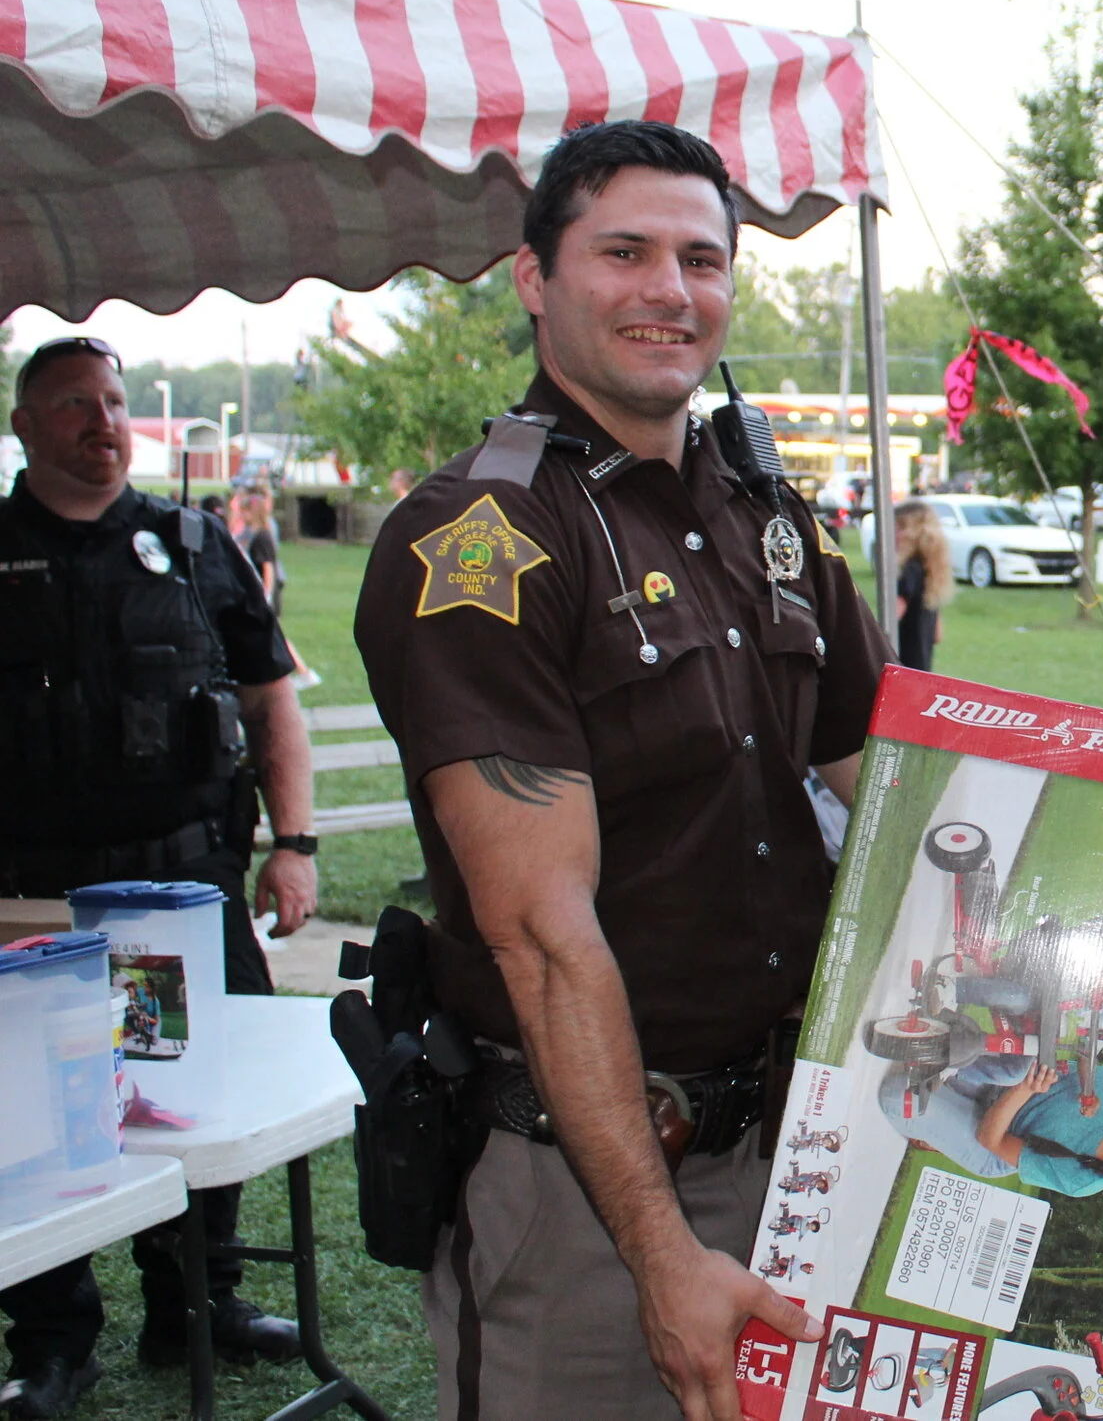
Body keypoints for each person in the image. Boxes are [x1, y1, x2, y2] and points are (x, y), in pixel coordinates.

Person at [353, 121, 888, 1421]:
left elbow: (892, 779)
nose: (670, 289)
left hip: (799, 1153)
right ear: (538, 280)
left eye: (701, 259)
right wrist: (660, 1252)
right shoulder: (479, 536)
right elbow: (541, 934)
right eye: (626, 252)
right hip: (591, 1188)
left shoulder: (765, 514)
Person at [0, 338, 315, 1417]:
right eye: (76, 404)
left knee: (188, 1101)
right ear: (25, 424)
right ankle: (50, 1341)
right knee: (38, 1119)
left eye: (117, 401)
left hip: (177, 895)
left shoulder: (188, 543)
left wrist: (296, 843)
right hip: (31, 899)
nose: (105, 421)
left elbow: (273, 697)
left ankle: (197, 1301)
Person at [877, 1058, 1103, 1201]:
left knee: (895, 1093)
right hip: (1009, 1072)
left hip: (991, 1132)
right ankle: (948, 1076)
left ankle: (938, 1128)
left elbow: (990, 1139)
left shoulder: (1082, 1179)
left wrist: (1025, 1090)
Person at [890, 497, 952, 671]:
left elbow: (892, 618)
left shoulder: (909, 571)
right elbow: (937, 634)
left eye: (896, 528)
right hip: (922, 668)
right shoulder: (930, 572)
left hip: (901, 664)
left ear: (908, 532)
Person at [237, 486, 283, 617]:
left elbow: (268, 568)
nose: (241, 515)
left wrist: (266, 595)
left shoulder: (262, 537)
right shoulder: (252, 535)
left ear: (253, 513)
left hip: (264, 595)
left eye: (244, 512)